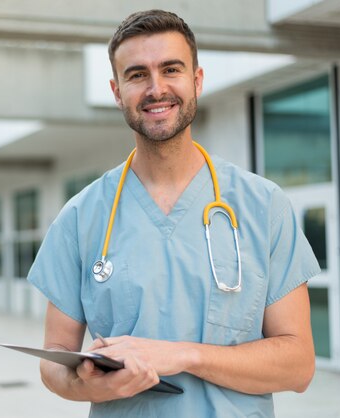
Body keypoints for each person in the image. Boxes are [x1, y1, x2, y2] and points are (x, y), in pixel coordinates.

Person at [26, 8, 321, 418]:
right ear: (116, 91)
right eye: (137, 75)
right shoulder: (81, 217)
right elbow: (53, 358)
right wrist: (84, 382)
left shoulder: (263, 206)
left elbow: (299, 365)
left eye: (171, 69)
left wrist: (183, 355)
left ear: (196, 81)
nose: (156, 88)